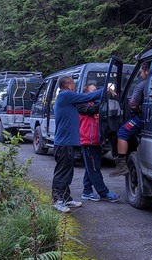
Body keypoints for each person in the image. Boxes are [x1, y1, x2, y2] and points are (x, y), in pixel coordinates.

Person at [51, 76, 105, 213]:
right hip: (63, 143)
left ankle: (66, 198)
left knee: (68, 173)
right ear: (68, 85)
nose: (75, 87)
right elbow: (87, 97)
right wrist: (106, 90)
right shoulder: (66, 95)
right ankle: (57, 200)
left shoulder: (66, 98)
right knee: (62, 173)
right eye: (73, 84)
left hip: (68, 143)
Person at [78, 84, 120, 202]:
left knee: (90, 167)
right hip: (87, 141)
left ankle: (87, 191)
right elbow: (91, 110)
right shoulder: (82, 104)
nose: (96, 92)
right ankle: (104, 192)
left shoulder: (95, 104)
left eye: (97, 90)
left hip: (96, 141)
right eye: (94, 90)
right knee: (94, 169)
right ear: (87, 93)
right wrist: (104, 95)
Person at [110, 61, 150, 177]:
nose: (141, 74)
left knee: (122, 133)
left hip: (140, 118)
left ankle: (121, 164)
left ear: (147, 71)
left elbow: (133, 103)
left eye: (142, 71)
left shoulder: (142, 85)